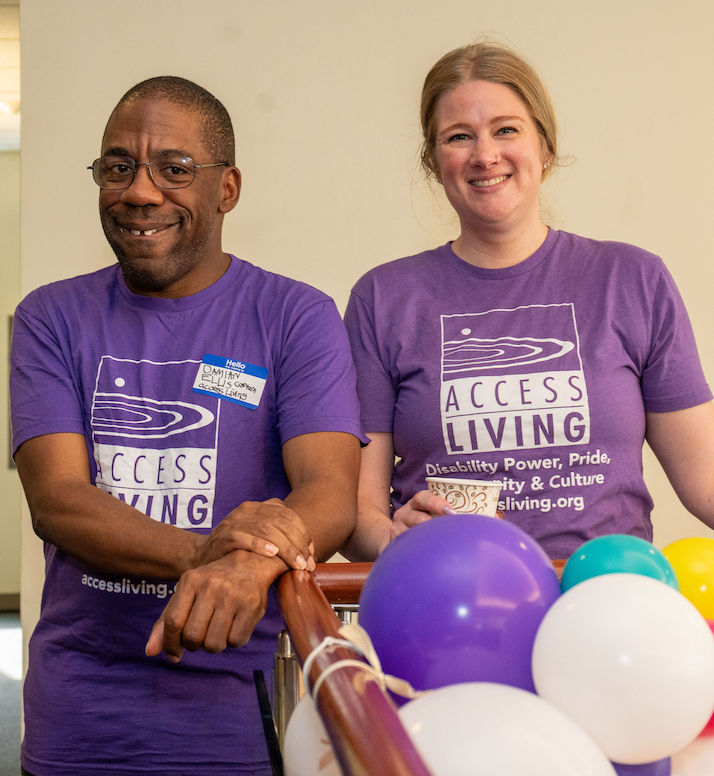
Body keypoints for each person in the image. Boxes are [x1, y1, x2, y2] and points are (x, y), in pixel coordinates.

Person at [10, 76, 365, 776]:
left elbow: (328, 493)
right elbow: (58, 502)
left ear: (225, 189)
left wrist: (248, 565)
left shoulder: (297, 315)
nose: (140, 192)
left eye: (174, 169)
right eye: (118, 167)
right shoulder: (49, 318)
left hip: (244, 714)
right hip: (82, 717)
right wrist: (213, 555)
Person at [341, 42, 714, 563]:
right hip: (448, 600)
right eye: (459, 137)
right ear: (434, 160)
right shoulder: (383, 298)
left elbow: (706, 479)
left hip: (602, 602)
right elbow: (356, 511)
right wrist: (388, 538)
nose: (485, 154)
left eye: (506, 129)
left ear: (545, 146)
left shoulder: (631, 278)